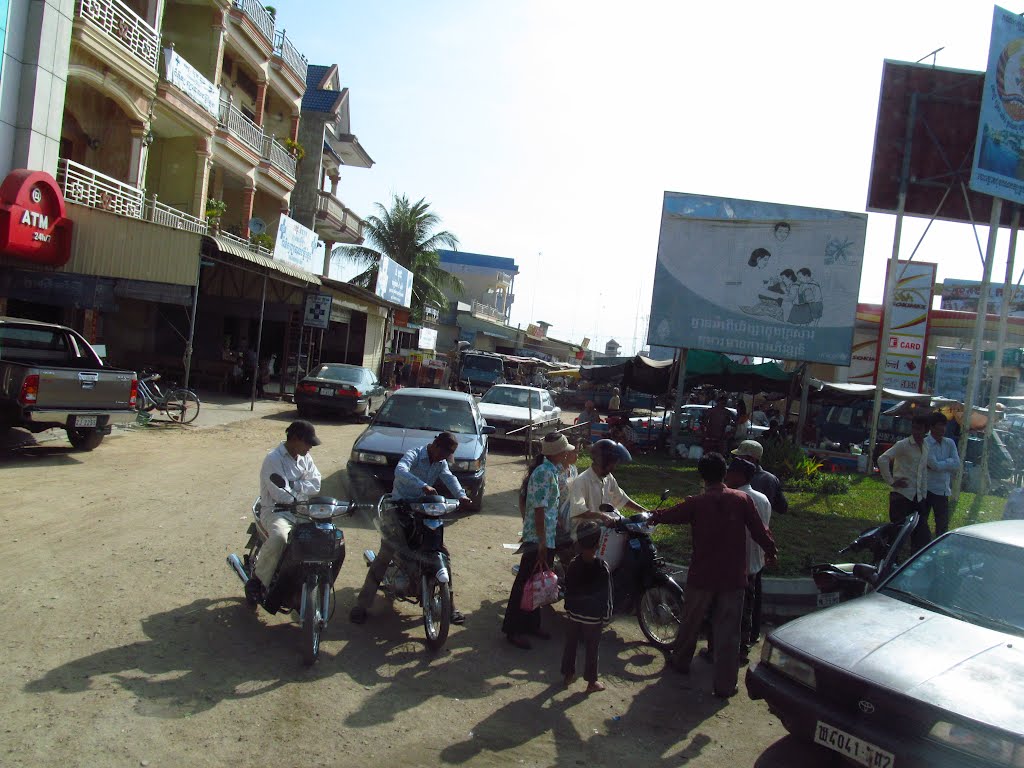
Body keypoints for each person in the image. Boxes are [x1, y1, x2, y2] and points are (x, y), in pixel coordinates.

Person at [650, 452, 777, 699]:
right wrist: (771, 551)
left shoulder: (697, 503)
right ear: (724, 473)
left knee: (690, 623)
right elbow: (760, 531)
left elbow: (667, 515)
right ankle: (725, 686)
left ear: (702, 476)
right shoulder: (742, 500)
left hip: (703, 575)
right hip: (733, 577)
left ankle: (681, 662)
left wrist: (653, 515)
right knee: (728, 633)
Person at [350, 432, 472, 625]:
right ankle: (361, 605)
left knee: (443, 554)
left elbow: (450, 478)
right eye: (444, 453)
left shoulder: (440, 463)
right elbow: (400, 470)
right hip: (400, 508)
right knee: (386, 554)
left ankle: (451, 608)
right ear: (436, 446)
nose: (443, 459)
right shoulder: (414, 454)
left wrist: (461, 496)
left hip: (423, 511)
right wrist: (423, 486)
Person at [502, 432, 576, 649]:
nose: (568, 453)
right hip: (538, 537)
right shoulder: (544, 473)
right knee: (525, 582)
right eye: (566, 450)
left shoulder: (551, 470)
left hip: (547, 535)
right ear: (559, 453)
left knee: (537, 582)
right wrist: (543, 541)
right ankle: (513, 629)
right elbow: (540, 509)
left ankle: (531, 624)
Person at [246, 420, 323, 603]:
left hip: (302, 511)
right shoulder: (273, 459)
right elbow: (280, 494)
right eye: (308, 442)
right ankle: (256, 582)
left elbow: (317, 484)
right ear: (295, 438)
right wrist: (301, 490)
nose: (311, 447)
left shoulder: (305, 457)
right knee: (281, 537)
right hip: (276, 511)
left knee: (322, 537)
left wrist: (294, 485)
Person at [725, 457, 772, 658]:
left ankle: (723, 649)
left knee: (727, 610)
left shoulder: (733, 497)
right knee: (747, 607)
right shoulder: (763, 499)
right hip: (754, 562)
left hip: (734, 562)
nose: (726, 476)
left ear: (739, 476)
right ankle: (742, 647)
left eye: (730, 472)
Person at [561, 521, 612, 693]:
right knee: (592, 648)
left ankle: (568, 674)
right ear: (598, 544)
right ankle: (591, 682)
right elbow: (607, 596)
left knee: (570, 644)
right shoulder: (602, 567)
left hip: (574, 614)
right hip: (593, 618)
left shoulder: (574, 563)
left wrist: (567, 609)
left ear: (579, 543)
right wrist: (606, 617)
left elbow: (567, 587)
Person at [877, 413, 931, 552]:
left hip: (918, 498)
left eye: (919, 429)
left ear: (926, 430)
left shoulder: (925, 446)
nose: (916, 432)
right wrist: (892, 481)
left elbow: (923, 472)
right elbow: (882, 459)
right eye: (914, 428)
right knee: (896, 535)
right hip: (902, 496)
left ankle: (913, 563)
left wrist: (923, 495)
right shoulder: (903, 444)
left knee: (922, 536)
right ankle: (886, 563)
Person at [570, 439, 646, 533]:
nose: (614, 467)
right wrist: (602, 516)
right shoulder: (581, 481)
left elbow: (621, 498)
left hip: (608, 528)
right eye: (612, 464)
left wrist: (644, 511)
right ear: (602, 462)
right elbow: (578, 510)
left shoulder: (608, 477)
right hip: (588, 534)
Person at [924, 412, 959, 539]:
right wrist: (948, 462)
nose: (943, 429)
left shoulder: (949, 443)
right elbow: (934, 465)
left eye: (944, 425)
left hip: (943, 490)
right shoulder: (926, 443)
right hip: (927, 488)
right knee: (922, 522)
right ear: (932, 427)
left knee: (942, 525)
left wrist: (943, 464)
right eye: (939, 425)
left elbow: (957, 464)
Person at [732, 439, 788, 518]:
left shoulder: (768, 480)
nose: (736, 460)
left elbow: (781, 507)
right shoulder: (771, 478)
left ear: (751, 459)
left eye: (740, 457)